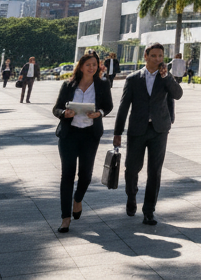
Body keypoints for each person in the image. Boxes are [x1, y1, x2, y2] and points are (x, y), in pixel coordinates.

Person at [112, 42, 183, 226]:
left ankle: (149, 211)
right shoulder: (133, 79)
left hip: (159, 130)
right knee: (131, 169)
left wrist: (167, 78)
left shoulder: (166, 77)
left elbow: (177, 95)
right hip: (137, 130)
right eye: (153, 56)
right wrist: (117, 132)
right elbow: (123, 107)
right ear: (146, 56)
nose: (157, 59)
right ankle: (131, 196)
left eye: (160, 56)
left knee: (155, 171)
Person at [51, 50, 113, 233]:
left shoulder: (102, 84)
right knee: (67, 175)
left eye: (94, 65)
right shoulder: (68, 85)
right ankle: (65, 218)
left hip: (90, 135)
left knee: (86, 175)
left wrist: (99, 113)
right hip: (69, 135)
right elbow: (56, 108)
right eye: (88, 65)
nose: (91, 68)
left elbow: (108, 106)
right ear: (81, 66)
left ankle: (77, 200)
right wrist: (64, 113)